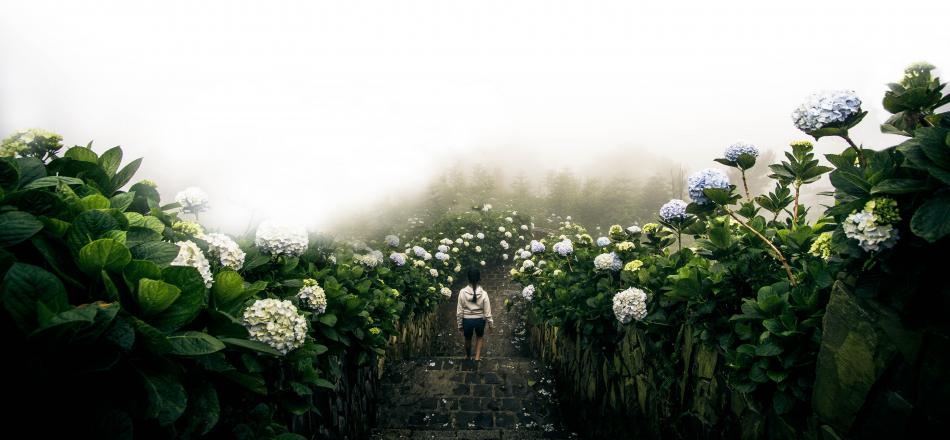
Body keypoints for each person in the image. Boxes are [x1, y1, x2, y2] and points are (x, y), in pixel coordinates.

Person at [456, 267, 493, 361]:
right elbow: (488, 312)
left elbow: (459, 311)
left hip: (467, 320)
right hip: (480, 320)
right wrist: (490, 325)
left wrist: (460, 324)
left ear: (468, 278)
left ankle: (468, 356)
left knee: (467, 339)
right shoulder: (484, 293)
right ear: (478, 279)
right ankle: (477, 357)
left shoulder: (462, 292)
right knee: (479, 337)